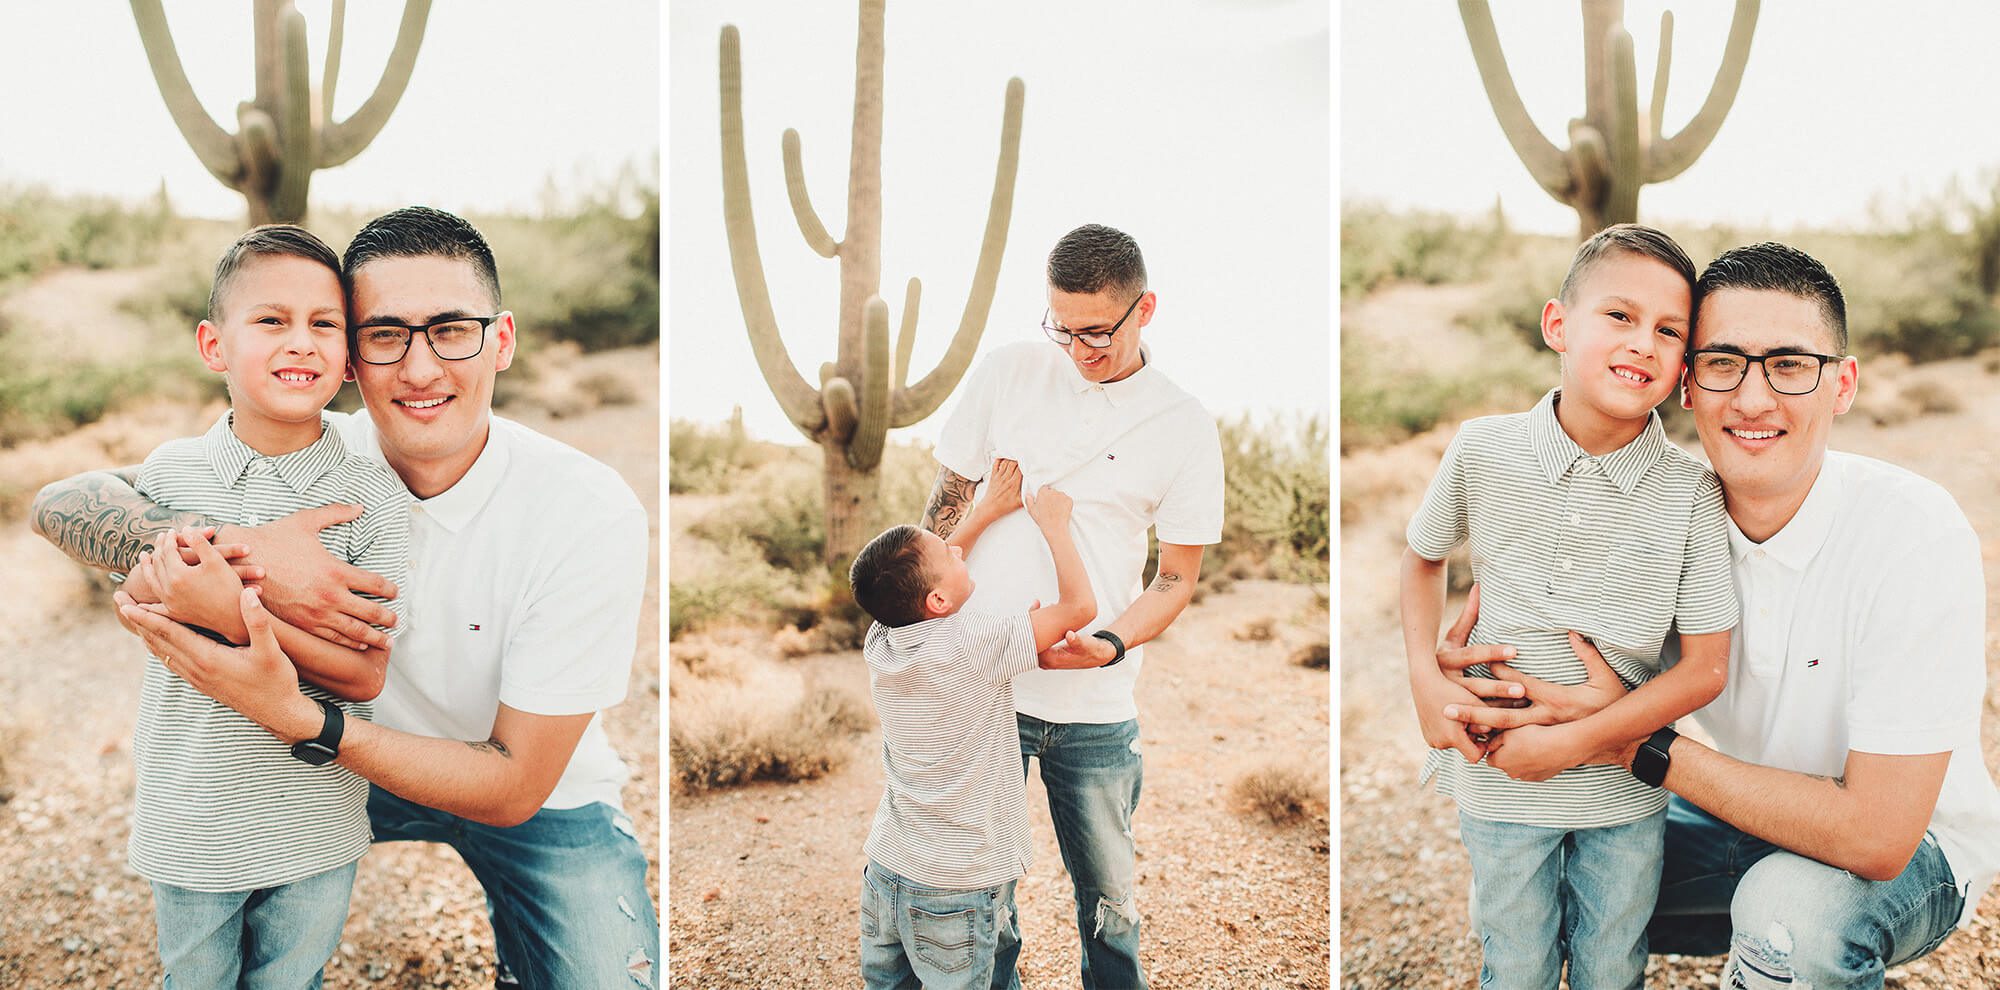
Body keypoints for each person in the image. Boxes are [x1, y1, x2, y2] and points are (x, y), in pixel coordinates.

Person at [30, 206, 657, 989]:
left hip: (508, 786)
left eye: (452, 330)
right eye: (385, 334)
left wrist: (297, 708)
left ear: (502, 339)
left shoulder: (586, 511)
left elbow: (512, 784)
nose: (421, 370)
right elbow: (63, 503)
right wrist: (254, 555)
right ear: (352, 359)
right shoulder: (309, 452)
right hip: (323, 776)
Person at [1438, 241, 2000, 988]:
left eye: (1791, 365)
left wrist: (1631, 739)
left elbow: (1877, 837)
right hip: (1741, 812)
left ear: (1844, 385)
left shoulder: (1913, 534)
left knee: (1789, 919)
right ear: (1687, 387)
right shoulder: (1664, 522)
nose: (1754, 399)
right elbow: (1551, 647)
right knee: (1526, 878)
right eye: (1723, 362)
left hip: (1915, 852)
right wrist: (1476, 666)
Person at [1402, 223, 1738, 989]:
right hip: (1498, 773)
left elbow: (1705, 670)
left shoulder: (1691, 492)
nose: (1643, 344)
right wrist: (1424, 681)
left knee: (1612, 964)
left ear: (1685, 365)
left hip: (1624, 792)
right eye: (1619, 316)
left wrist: (1576, 740)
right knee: (1513, 963)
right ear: (1558, 324)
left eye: (1669, 332)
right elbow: (1422, 558)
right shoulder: (1483, 449)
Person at [921, 223, 1224, 989]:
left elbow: (1174, 580)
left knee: (1111, 907)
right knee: (983, 901)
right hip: (983, 690)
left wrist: (1111, 644)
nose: (1079, 348)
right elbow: (935, 525)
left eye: (1097, 331)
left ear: (1144, 308)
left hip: (1095, 704)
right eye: (1063, 327)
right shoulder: (1007, 373)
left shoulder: (1183, 424)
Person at [114, 224, 410, 988]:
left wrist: (236, 610)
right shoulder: (169, 474)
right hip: (191, 811)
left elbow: (365, 675)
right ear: (215, 346)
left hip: (313, 820)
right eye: (271, 320)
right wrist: (230, 592)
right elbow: (137, 594)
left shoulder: (370, 495)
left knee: (292, 980)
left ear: (348, 358)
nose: (300, 343)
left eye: (324, 324)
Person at [850, 459, 1108, 990]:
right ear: (938, 600)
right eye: (949, 553)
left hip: (887, 869)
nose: (960, 548)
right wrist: (1055, 527)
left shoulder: (882, 641)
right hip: (956, 886)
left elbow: (914, 588)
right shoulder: (975, 645)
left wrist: (986, 510)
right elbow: (1081, 606)